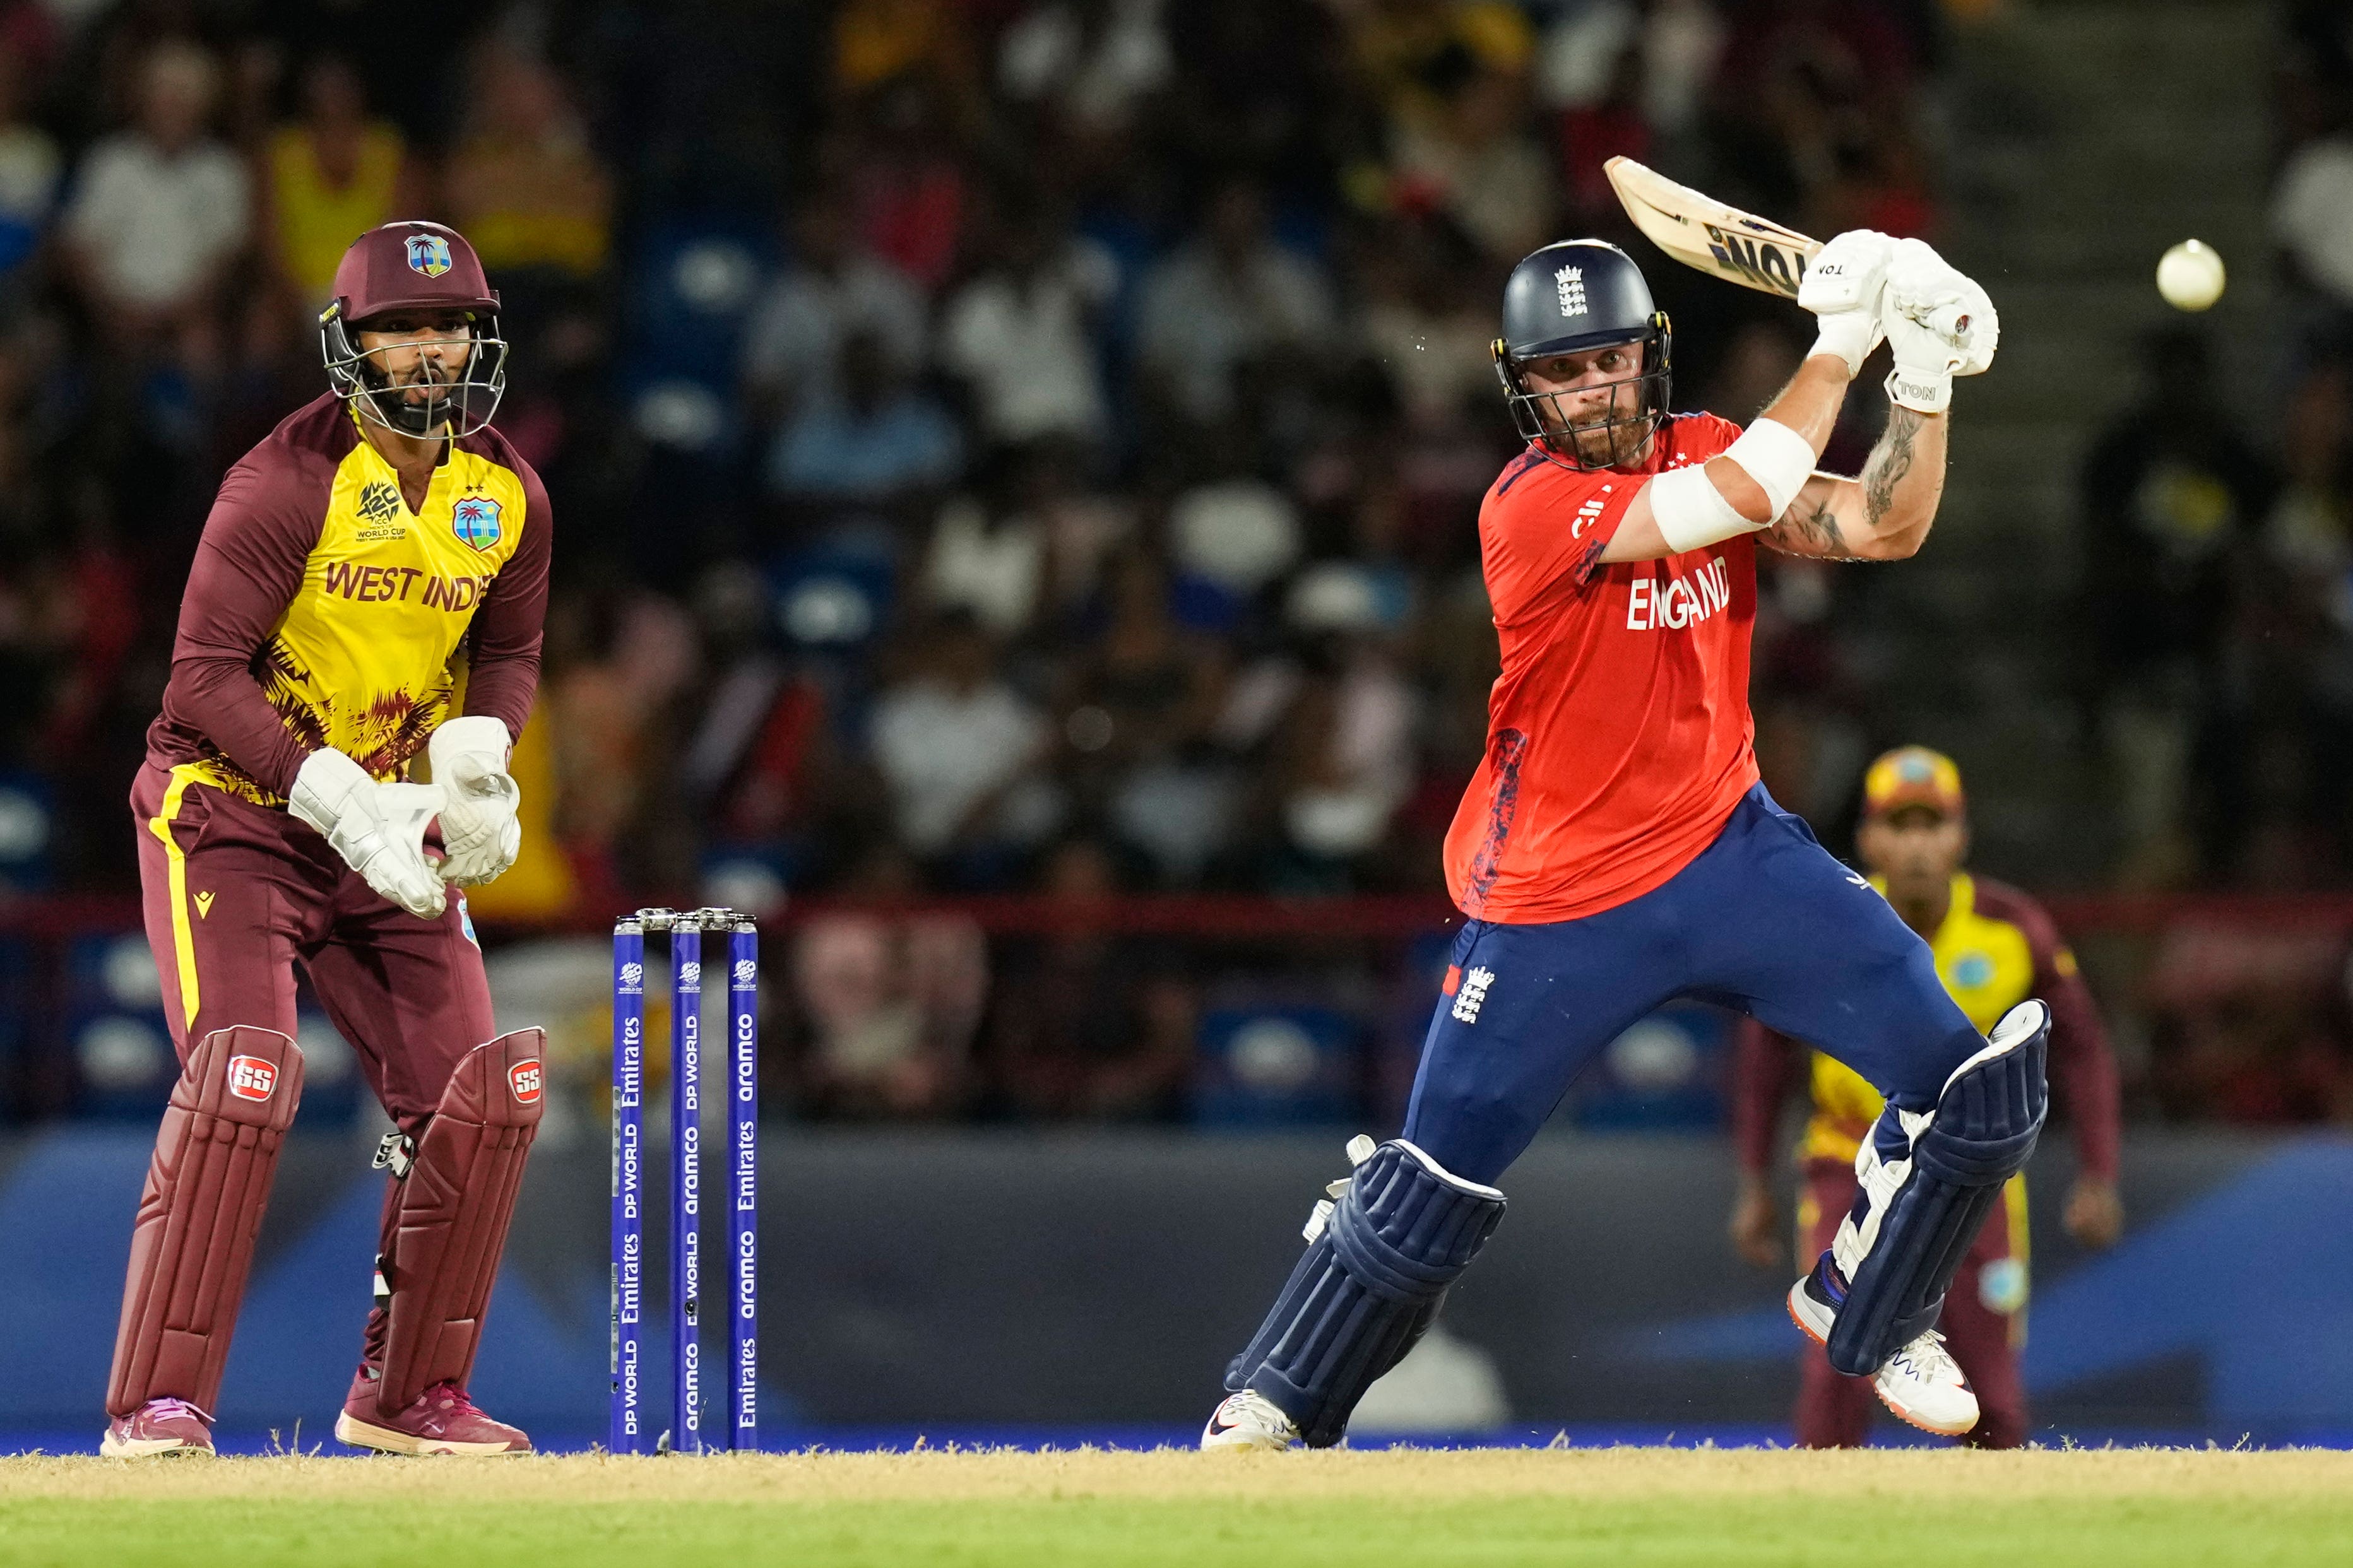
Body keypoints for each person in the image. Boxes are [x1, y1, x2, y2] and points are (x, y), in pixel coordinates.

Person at [1202, 228, 2030, 1452]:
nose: (1587, 391)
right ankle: (1277, 1396)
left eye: (1605, 363)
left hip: (1729, 850)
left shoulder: (1707, 439)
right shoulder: (1529, 505)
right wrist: (1843, 335)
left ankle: (1876, 1303)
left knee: (1975, 1088)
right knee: (1430, 1187)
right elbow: (1744, 494)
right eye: (1559, 373)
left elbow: (1880, 525)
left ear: (1649, 357)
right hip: (1559, 893)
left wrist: (1919, 376)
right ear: (1520, 387)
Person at [103, 221, 551, 1458]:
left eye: (445, 326)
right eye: (397, 330)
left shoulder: (505, 495)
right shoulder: (287, 480)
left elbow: (505, 653)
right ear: (348, 347)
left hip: (391, 828)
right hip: (229, 818)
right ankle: (160, 1407)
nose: (425, 350)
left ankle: (408, 1399)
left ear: (481, 338)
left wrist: (480, 762)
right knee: (244, 1077)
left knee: (479, 1097)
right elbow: (198, 682)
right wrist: (336, 796)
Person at [1729, 746, 2124, 1448]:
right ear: (1869, 838)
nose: (1916, 844)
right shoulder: (1834, 920)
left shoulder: (2010, 927)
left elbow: (2083, 1048)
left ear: (1959, 835)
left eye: (1931, 824)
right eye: (1898, 824)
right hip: (1846, 1166)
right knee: (1835, 1372)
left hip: (1977, 1181)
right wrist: (1752, 1179)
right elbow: (1765, 1051)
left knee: (1991, 1394)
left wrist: (2099, 1171)